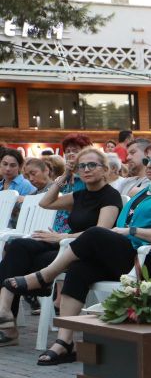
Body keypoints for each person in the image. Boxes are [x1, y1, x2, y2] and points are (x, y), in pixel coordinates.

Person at [3, 141, 151, 365]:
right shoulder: (143, 193)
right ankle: (64, 342)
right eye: (146, 160)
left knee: (96, 233)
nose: (149, 165)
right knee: (79, 269)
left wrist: (133, 230)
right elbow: (47, 203)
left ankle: (45, 276)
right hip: (127, 255)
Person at [0, 148, 121, 347]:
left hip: (85, 252)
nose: (87, 169)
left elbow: (101, 232)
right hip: (65, 247)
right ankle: (4, 311)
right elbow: (45, 202)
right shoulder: (80, 195)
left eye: (92, 165)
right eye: (82, 166)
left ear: (105, 169)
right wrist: (65, 174)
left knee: (27, 259)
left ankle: (8, 327)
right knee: (19, 246)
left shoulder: (110, 196)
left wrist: (61, 237)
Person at [53, 134, 90, 234]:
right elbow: (47, 201)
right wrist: (66, 174)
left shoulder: (88, 178)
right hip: (56, 230)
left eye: (75, 151)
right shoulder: (65, 178)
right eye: (67, 151)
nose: (70, 154)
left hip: (75, 232)